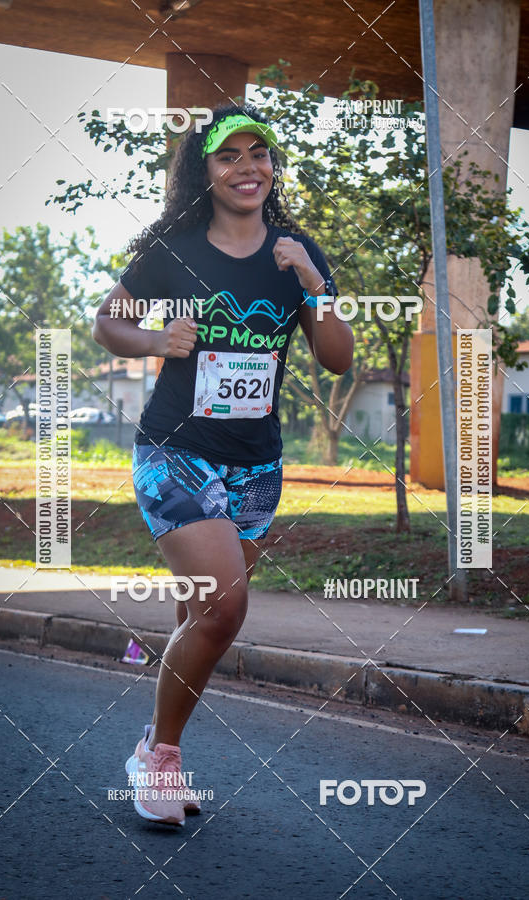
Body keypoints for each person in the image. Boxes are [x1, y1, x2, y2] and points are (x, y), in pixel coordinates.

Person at [93, 103, 354, 825]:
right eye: (228, 156)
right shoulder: (173, 251)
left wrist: (314, 283)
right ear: (203, 171)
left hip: (256, 465)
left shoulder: (296, 252)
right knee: (224, 608)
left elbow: (338, 359)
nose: (247, 168)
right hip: (174, 451)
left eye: (258, 154)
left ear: (273, 165)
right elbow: (108, 321)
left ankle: (151, 745)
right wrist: (155, 341)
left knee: (195, 617)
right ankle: (160, 760)